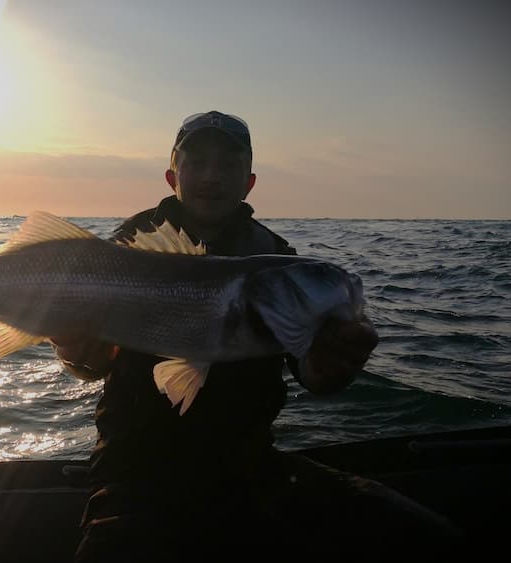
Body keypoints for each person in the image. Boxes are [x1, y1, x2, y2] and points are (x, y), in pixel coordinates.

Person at [53, 111, 465, 562]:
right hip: (134, 472)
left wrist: (332, 369)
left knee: (428, 538)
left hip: (249, 467)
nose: (212, 176)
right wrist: (73, 350)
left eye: (229, 164)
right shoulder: (126, 247)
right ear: (173, 175)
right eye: (198, 162)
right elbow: (93, 363)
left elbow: (313, 375)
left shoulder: (279, 259)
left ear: (249, 182)